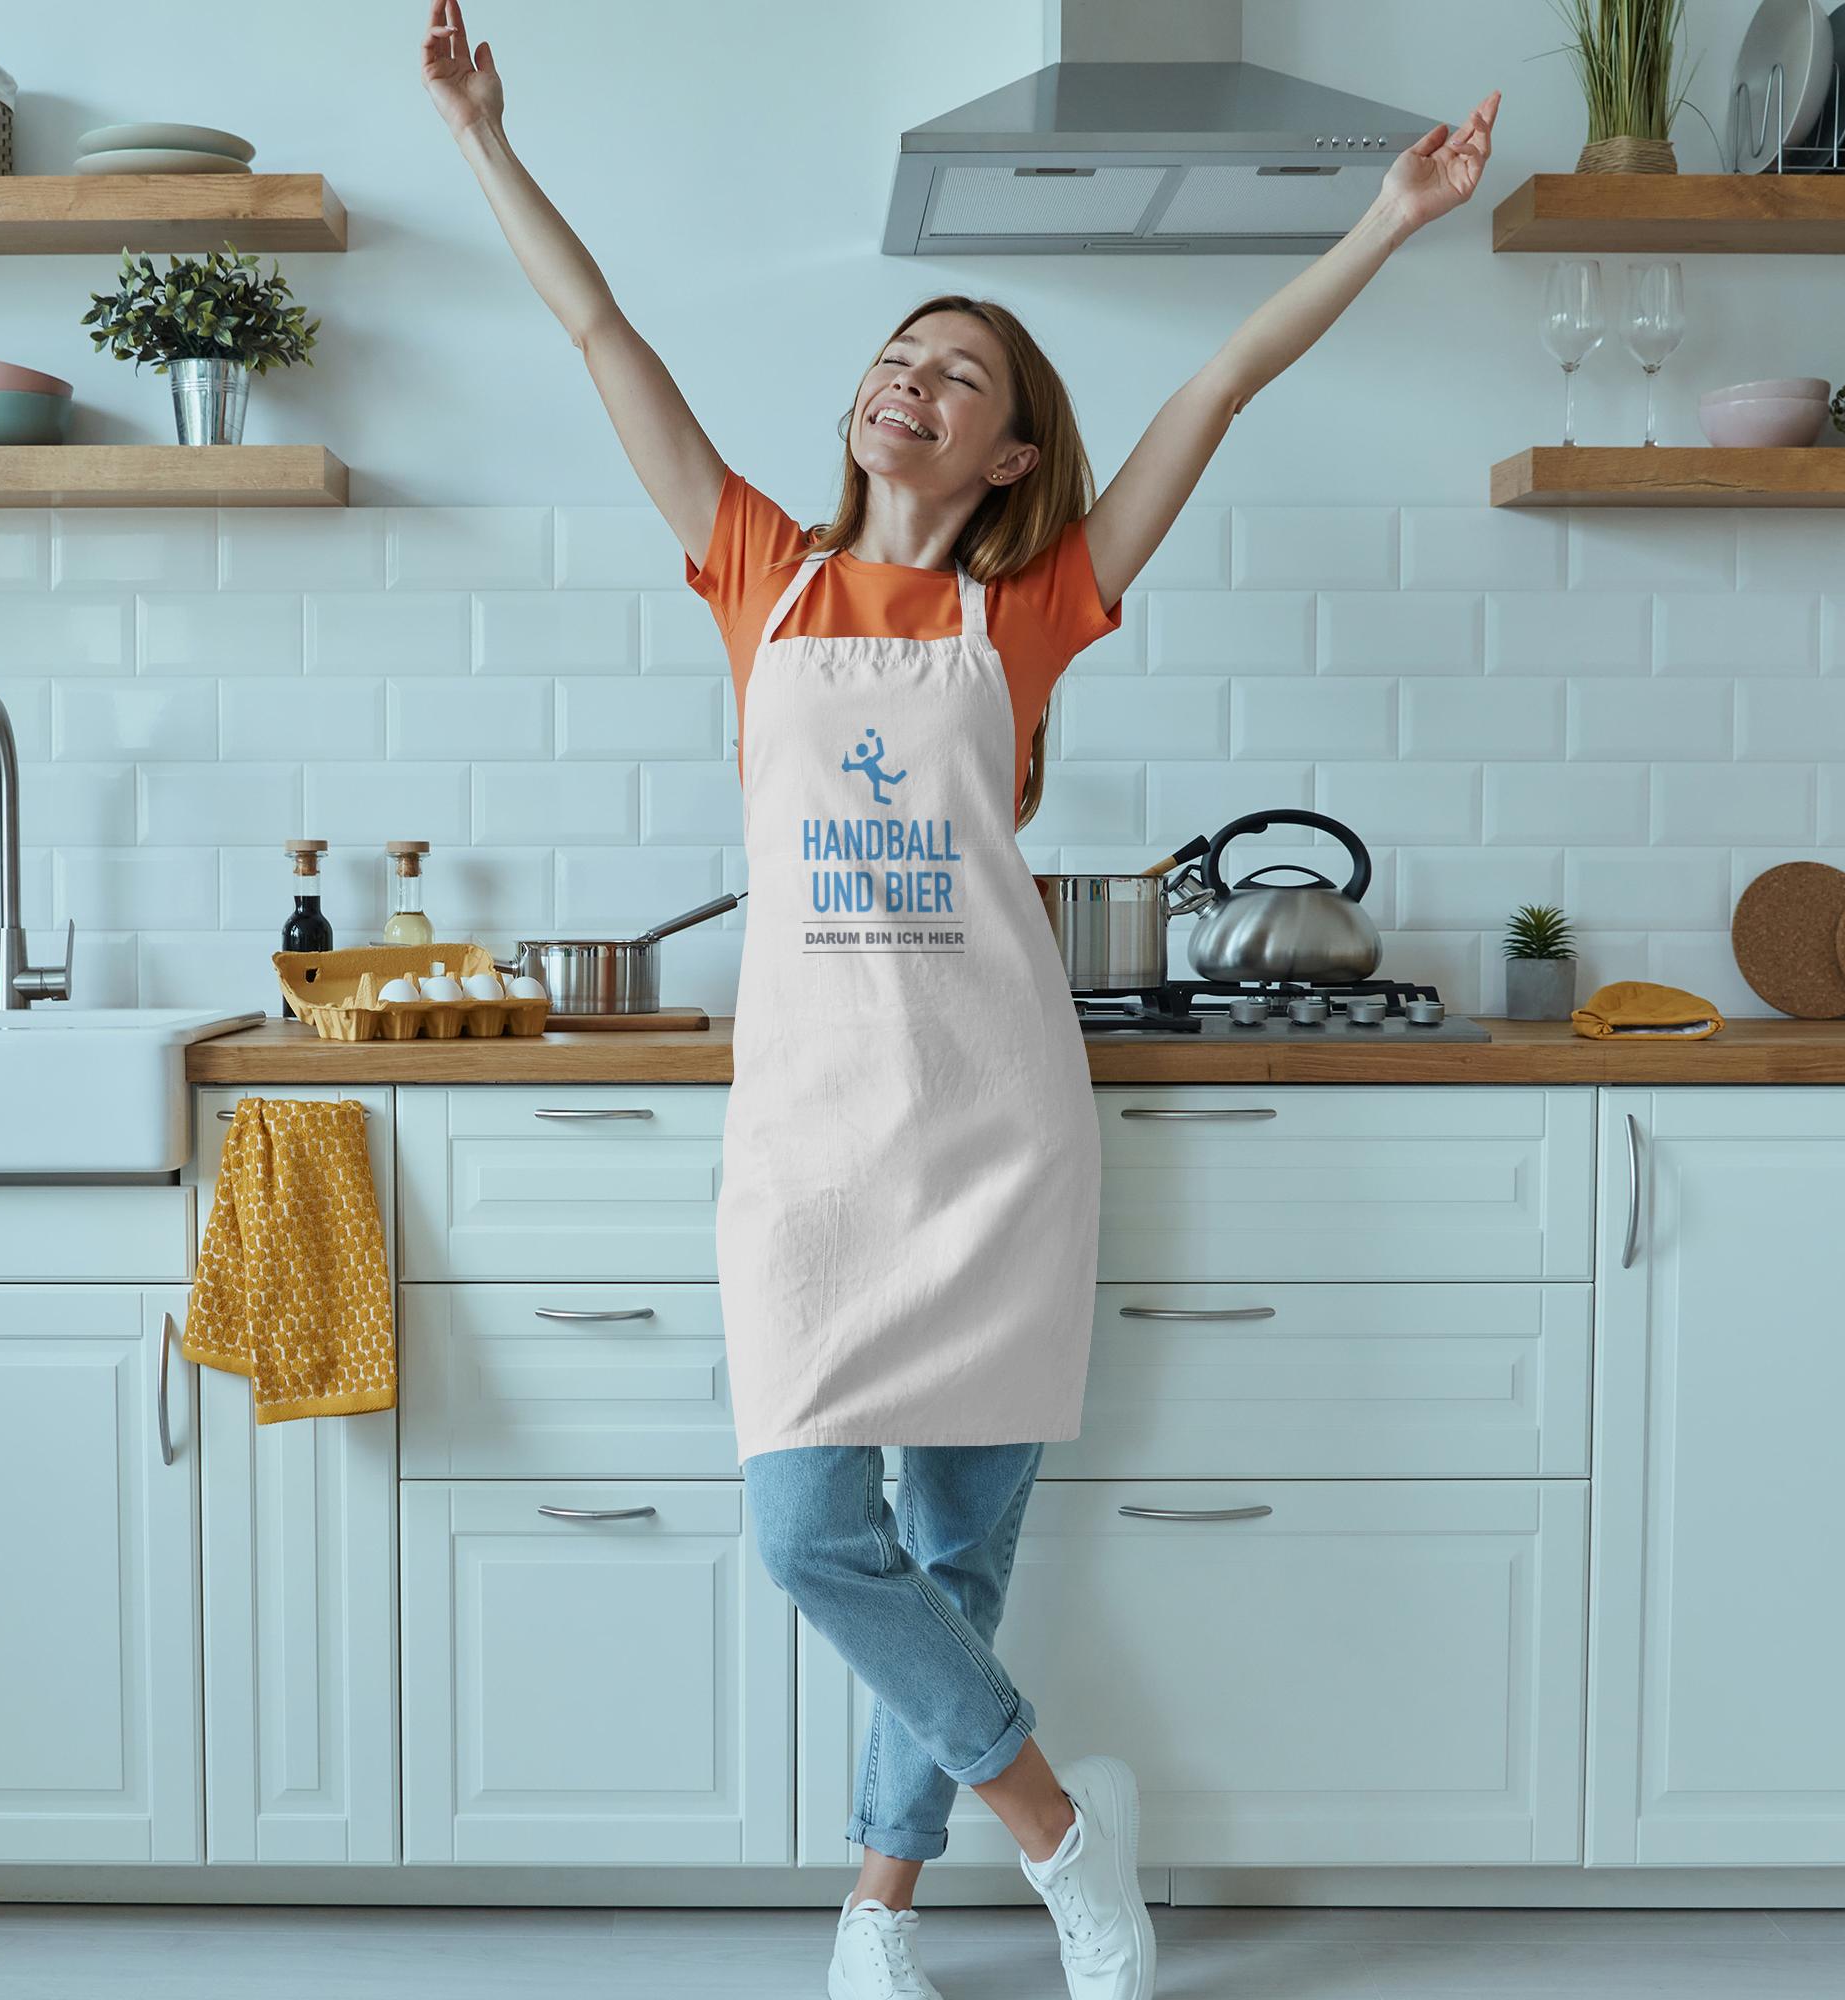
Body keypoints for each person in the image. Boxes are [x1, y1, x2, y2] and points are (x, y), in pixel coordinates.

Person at [422, 9, 1497, 1995]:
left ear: (1009, 450)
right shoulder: (762, 572)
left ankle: (880, 1916)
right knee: (814, 1540)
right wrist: (488, 136)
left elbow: (1227, 383)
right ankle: (1066, 1833)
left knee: (956, 1564)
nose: (909, 377)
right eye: (896, 353)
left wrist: (1386, 220)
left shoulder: (1035, 605)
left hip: (995, 1136)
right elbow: (602, 342)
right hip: (812, 1151)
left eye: (960, 371)